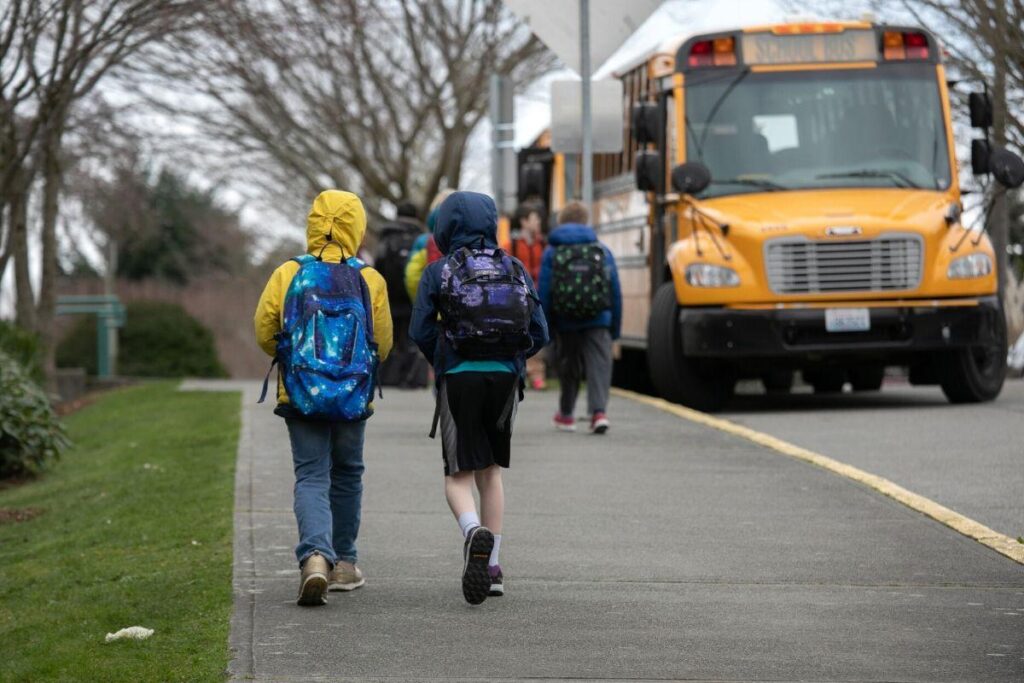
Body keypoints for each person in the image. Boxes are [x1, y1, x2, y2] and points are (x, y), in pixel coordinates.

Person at [254, 190, 393, 606]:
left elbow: (264, 329)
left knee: (312, 475)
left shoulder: (289, 273)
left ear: (313, 225)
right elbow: (382, 342)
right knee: (347, 473)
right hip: (352, 396)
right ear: (357, 228)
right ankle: (345, 563)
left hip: (302, 394)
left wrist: (294, 360)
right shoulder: (369, 279)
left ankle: (315, 557)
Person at [410, 191, 548, 605]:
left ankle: (473, 532)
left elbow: (419, 330)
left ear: (446, 226)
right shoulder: (514, 267)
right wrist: (511, 356)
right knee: (491, 472)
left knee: (458, 476)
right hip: (504, 379)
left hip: (458, 376)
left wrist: (445, 355)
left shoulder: (439, 271)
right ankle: (494, 567)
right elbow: (540, 332)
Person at [538, 200, 621, 434]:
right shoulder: (601, 250)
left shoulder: (552, 251)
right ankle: (598, 413)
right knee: (599, 365)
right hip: (598, 318)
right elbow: (614, 290)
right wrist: (614, 329)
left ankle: (566, 415)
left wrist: (545, 327)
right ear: (586, 221)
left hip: (565, 319)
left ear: (561, 222)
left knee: (569, 367)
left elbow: (544, 291)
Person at [376, 202, 428, 388]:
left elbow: (378, 265)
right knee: (411, 337)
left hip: (389, 295)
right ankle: (411, 377)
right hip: (413, 296)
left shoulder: (386, 236)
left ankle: (388, 376)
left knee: (390, 335)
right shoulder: (421, 238)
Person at [504, 202, 548, 390]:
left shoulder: (543, 245)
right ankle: (522, 371)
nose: (538, 222)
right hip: (517, 300)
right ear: (523, 221)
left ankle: (537, 374)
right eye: (534, 219)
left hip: (537, 298)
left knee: (537, 332)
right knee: (519, 335)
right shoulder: (511, 245)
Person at [404, 189, 454, 304]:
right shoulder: (469, 240)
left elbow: (412, 276)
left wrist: (422, 302)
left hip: (430, 304)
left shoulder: (423, 241)